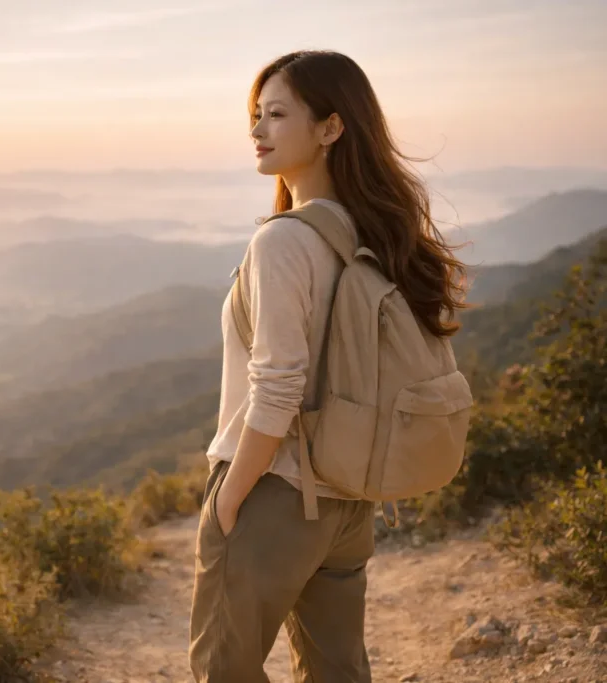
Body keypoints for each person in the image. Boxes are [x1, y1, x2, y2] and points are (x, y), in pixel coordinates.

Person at [188, 50, 467, 682]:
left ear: (331, 127)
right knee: (337, 671)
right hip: (348, 499)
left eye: (277, 114)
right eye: (256, 114)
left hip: (272, 492)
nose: (257, 129)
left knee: (222, 670)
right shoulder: (378, 233)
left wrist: (228, 502)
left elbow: (276, 388)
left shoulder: (283, 239)